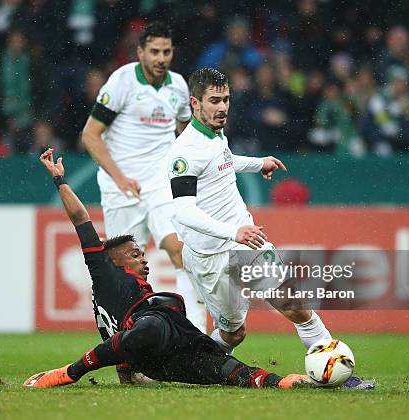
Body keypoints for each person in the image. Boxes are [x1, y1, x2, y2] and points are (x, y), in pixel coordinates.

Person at [23, 148, 309, 390]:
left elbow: (117, 339)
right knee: (151, 324)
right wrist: (59, 179)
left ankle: (283, 382)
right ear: (114, 260)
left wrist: (127, 372)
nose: (144, 260)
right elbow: (80, 218)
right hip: (149, 328)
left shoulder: (118, 301)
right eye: (135, 254)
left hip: (160, 357)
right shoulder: (103, 271)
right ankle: (69, 372)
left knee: (224, 370)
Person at [166, 68, 374, 389]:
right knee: (234, 332)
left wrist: (257, 161)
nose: (222, 108)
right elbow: (183, 210)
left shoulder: (216, 135)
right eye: (214, 101)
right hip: (210, 257)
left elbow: (223, 160)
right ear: (195, 103)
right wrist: (231, 233)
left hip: (247, 243)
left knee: (294, 304)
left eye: (226, 100)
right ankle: (196, 365)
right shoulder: (184, 152)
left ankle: (336, 371)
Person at [81, 22, 206, 332]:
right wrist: (120, 178)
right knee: (121, 272)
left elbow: (185, 132)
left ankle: (197, 338)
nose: (161, 58)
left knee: (181, 250)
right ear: (140, 53)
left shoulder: (178, 86)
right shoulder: (122, 82)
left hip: (161, 184)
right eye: (154, 52)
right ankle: (124, 351)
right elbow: (91, 135)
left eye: (166, 51)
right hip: (120, 188)